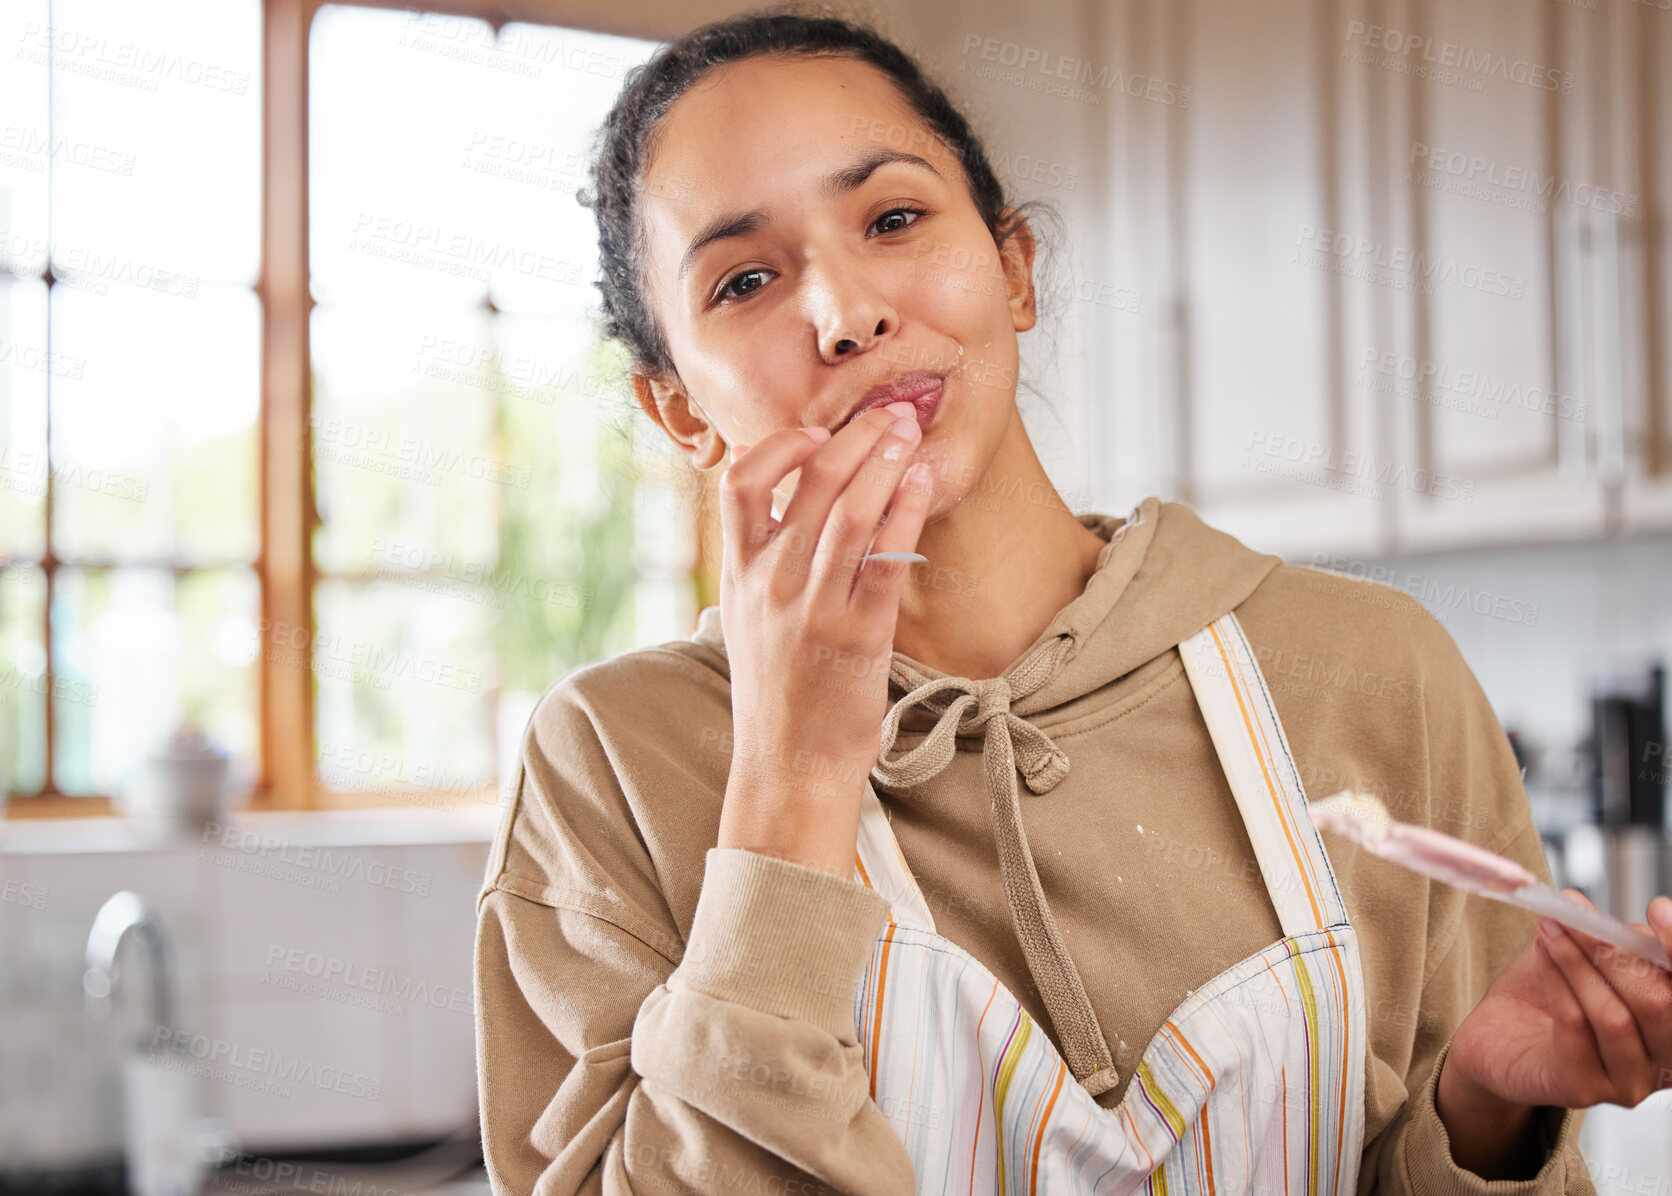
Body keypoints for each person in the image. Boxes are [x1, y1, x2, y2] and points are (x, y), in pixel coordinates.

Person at [472, 10, 1672, 1194]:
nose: (846, 316)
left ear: (1013, 268)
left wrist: (1485, 1112)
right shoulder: (611, 764)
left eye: (893, 218)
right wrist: (788, 775)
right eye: (742, 279)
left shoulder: (1372, 671)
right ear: (679, 408)